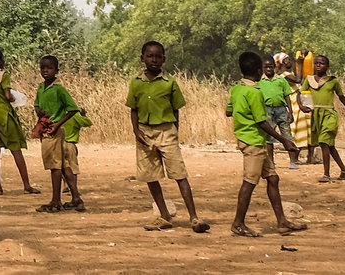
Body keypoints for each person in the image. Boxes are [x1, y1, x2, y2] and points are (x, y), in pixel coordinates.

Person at [126, 40, 207, 232]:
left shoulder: (169, 83)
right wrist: (136, 131)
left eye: (158, 56)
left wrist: (174, 131)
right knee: (150, 175)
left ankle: (194, 217)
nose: (154, 60)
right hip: (144, 133)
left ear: (164, 59)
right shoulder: (136, 83)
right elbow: (133, 109)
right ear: (142, 58)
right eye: (150, 56)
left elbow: (176, 109)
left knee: (179, 174)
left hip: (166, 131)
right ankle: (164, 215)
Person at [225, 51, 305, 238]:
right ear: (258, 70)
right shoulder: (254, 92)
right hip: (253, 141)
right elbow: (262, 121)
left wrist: (241, 113)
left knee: (273, 178)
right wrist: (284, 140)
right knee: (249, 182)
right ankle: (238, 223)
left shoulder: (237, 89)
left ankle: (282, 222)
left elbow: (228, 111)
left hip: (252, 140)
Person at [0, 47, 37, 196]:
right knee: (15, 149)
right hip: (4, 114)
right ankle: (26, 185)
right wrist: (14, 98)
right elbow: (8, 96)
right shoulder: (4, 76)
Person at [32, 55, 86, 213]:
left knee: (55, 167)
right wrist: (38, 111)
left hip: (54, 131)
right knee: (63, 166)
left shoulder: (59, 89)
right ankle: (76, 198)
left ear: (56, 70)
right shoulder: (41, 88)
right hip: (46, 129)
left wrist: (57, 124)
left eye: (49, 68)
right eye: (43, 68)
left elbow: (73, 109)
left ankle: (56, 202)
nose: (45, 71)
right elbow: (36, 105)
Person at [301, 53, 345, 182]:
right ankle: (343, 169)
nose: (318, 65)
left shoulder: (332, 81)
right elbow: (301, 94)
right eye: (316, 63)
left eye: (321, 63)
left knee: (324, 142)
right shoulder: (309, 80)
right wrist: (302, 106)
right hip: (316, 115)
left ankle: (326, 174)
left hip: (329, 115)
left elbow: (341, 97)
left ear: (327, 66)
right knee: (329, 145)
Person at [257, 56, 302, 167]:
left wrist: (290, 112)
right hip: (267, 109)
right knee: (269, 136)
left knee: (287, 134)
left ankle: (292, 161)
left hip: (281, 109)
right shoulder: (259, 81)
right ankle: (271, 161)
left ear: (274, 66)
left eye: (270, 67)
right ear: (262, 68)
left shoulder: (281, 79)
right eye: (266, 67)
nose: (268, 69)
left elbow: (287, 96)